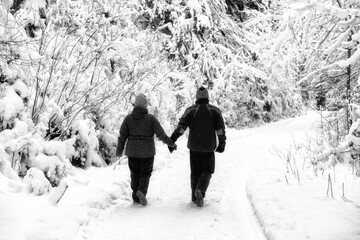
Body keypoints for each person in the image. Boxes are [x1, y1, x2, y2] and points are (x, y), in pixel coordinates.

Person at [169, 86, 226, 207]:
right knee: (208, 170)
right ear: (207, 97)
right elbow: (220, 129)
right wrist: (222, 143)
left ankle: (194, 197)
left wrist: (172, 139)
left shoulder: (190, 110)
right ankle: (200, 190)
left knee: (195, 172)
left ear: (196, 97)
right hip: (208, 147)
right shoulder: (215, 111)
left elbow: (181, 128)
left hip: (194, 146)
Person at [116, 94, 176, 206]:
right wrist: (171, 144)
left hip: (132, 152)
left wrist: (119, 151)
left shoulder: (128, 119)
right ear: (145, 105)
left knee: (134, 173)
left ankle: (135, 196)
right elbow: (161, 134)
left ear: (135, 105)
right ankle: (141, 191)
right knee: (145, 173)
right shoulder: (150, 119)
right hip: (147, 153)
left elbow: (122, 136)